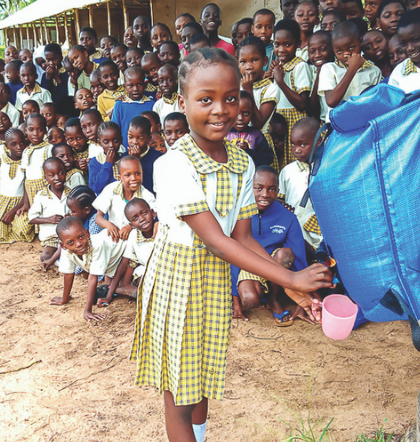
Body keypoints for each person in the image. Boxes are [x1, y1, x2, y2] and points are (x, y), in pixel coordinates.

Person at [132, 48, 335, 442]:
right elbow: (218, 242)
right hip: (179, 277)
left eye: (230, 98)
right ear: (181, 102)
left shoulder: (242, 162)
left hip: (214, 278)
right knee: (179, 392)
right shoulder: (173, 165)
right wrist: (290, 274)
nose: (220, 110)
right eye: (205, 99)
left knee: (204, 374)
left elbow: (243, 238)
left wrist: (295, 290)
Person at [231, 165, 308, 324]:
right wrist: (235, 301)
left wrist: (303, 297)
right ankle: (259, 292)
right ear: (249, 187)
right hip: (247, 264)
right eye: (258, 188)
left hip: (275, 264)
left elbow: (298, 255)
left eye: (272, 189)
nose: (265, 194)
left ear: (278, 190)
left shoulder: (287, 217)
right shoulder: (238, 213)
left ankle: (273, 299)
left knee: (285, 254)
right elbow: (231, 254)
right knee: (250, 300)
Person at [49, 215, 127, 320]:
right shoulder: (66, 250)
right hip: (110, 265)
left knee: (123, 285)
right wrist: (65, 298)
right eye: (70, 242)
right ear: (63, 246)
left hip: (125, 253)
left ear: (87, 233)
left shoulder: (98, 245)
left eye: (81, 237)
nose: (78, 244)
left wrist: (88, 310)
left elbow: (93, 277)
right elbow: (68, 273)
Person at [317, 20, 383, 118]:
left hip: (365, 124)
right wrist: (352, 69)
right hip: (338, 126)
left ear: (360, 42)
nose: (346, 54)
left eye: (351, 48)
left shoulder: (373, 70)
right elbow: (331, 101)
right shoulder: (329, 69)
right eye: (339, 51)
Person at [271, 20, 314, 167]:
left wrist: (280, 81)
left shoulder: (300, 66)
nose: (281, 50)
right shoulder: (278, 67)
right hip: (279, 123)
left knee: (295, 163)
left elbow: (302, 103)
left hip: (295, 122)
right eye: (277, 45)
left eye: (287, 44)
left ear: (298, 43)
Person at [101, 197, 158, 305]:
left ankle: (118, 290)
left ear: (153, 213)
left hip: (165, 272)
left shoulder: (163, 231)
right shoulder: (134, 236)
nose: (141, 219)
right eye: (135, 219)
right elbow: (124, 264)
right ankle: (116, 290)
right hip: (146, 273)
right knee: (146, 285)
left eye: (144, 213)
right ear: (131, 225)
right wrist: (108, 297)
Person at [279, 118, 324, 253]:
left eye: (303, 145)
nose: (297, 150)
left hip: (319, 229)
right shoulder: (288, 171)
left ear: (318, 142)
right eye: (293, 144)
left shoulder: (326, 169)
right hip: (294, 226)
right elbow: (280, 198)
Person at [0, 128, 34, 243]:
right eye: (14, 144)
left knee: (24, 230)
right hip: (1, 202)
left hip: (21, 203)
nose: (19, 147)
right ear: (6, 146)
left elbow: (27, 189)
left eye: (21, 143)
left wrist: (13, 211)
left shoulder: (27, 161)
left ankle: (15, 227)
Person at [28, 157, 71, 264]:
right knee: (45, 256)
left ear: (66, 174)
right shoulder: (41, 196)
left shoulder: (71, 193)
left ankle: (62, 260)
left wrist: (71, 217)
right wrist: (49, 219)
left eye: (61, 173)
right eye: (52, 175)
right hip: (51, 237)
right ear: (45, 177)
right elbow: (32, 218)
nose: (57, 178)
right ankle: (58, 262)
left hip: (69, 235)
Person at [225, 91, 274, 167]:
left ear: (252, 113)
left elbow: (268, 159)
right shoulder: (223, 134)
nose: (241, 118)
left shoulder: (256, 135)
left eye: (246, 114)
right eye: (236, 113)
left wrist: (249, 152)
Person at [110, 66, 156, 147]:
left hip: (146, 149)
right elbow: (115, 130)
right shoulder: (119, 105)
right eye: (130, 85)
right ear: (124, 87)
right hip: (125, 151)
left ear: (145, 85)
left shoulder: (152, 104)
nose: (135, 89)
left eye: (139, 84)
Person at [126, 116, 163, 193]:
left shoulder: (158, 158)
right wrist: (133, 160)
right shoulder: (123, 158)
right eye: (130, 137)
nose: (134, 141)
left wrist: (137, 160)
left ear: (149, 138)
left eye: (140, 138)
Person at [88, 121, 124, 194]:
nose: (111, 145)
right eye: (106, 142)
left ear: (121, 140)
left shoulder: (125, 158)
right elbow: (95, 187)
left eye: (116, 141)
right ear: (99, 143)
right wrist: (108, 164)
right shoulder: (95, 162)